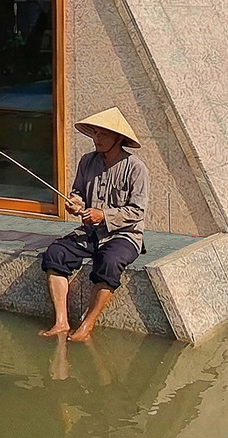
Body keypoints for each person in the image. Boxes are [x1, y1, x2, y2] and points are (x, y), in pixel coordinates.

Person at [39, 108, 149, 342]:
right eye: (95, 134)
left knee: (108, 263)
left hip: (123, 234)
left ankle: (87, 325)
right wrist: (75, 203)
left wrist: (104, 215)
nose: (97, 139)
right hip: (90, 232)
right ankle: (61, 322)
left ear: (118, 138)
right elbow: (78, 192)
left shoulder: (136, 168)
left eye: (103, 134)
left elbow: (137, 211)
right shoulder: (87, 161)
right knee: (55, 254)